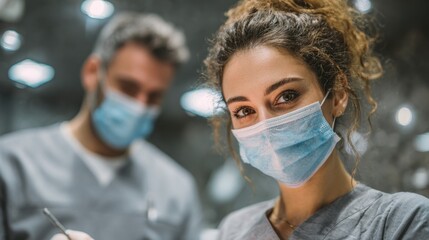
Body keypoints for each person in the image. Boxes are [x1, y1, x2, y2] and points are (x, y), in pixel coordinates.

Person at [203, 0, 429, 239]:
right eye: (244, 111)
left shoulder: (401, 222)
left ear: (338, 94)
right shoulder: (233, 230)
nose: (266, 126)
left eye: (286, 96)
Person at [0, 12, 201, 240]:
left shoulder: (176, 190)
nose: (139, 106)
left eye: (154, 96)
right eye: (128, 88)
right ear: (93, 72)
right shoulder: (11, 164)